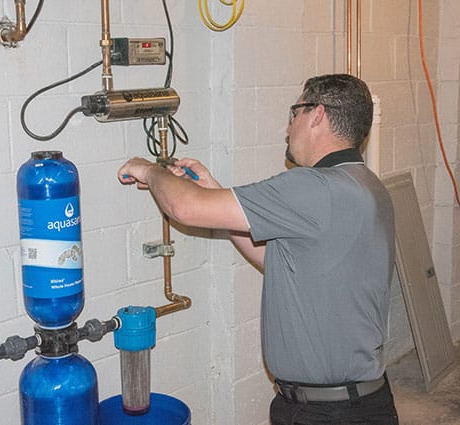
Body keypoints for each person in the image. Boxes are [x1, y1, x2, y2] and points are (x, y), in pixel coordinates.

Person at [117, 74, 399, 424]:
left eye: (294, 113)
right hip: (348, 403)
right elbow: (279, 262)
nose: (287, 127)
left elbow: (183, 209)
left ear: (317, 115)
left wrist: (148, 169)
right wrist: (212, 188)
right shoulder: (365, 185)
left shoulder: (314, 188)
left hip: (330, 413)